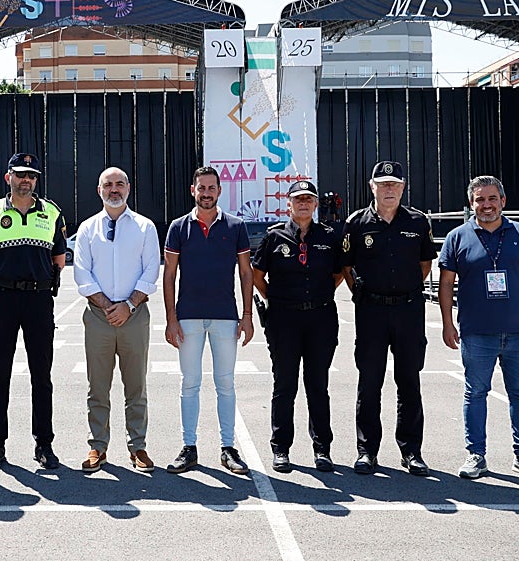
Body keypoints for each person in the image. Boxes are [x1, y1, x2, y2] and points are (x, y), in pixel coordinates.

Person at [438, 175, 519, 481]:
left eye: (492, 198)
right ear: (471, 203)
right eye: (480, 199)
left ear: (503, 201)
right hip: (476, 332)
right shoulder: (457, 237)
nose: (486, 205)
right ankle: (476, 455)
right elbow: (446, 284)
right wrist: (448, 323)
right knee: (475, 393)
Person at [341, 159, 437, 476]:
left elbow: (425, 265)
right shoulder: (357, 223)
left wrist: (404, 290)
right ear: (372, 187)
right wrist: (363, 293)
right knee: (369, 383)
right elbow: (346, 266)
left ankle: (411, 452)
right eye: (383, 185)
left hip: (408, 311)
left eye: (394, 184)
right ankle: (367, 451)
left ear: (403, 187)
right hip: (371, 312)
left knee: (409, 382)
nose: (389, 189)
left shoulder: (418, 221)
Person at [162, 166, 255, 475]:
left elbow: (246, 273)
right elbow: (169, 275)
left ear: (219, 190)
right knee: (190, 383)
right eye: (201, 188)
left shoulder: (236, 226)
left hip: (225, 317)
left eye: (211, 188)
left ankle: (228, 448)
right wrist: (171, 318)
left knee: (225, 383)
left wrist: (247, 316)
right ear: (193, 190)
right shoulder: (178, 227)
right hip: (187, 317)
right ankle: (189, 447)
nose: (206, 193)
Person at [0, 153, 67, 472]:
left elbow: (59, 259)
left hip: (39, 300)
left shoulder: (52, 212)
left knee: (41, 376)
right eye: (20, 174)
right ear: (8, 177)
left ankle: (44, 444)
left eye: (31, 175)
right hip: (3, 298)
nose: (26, 180)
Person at [73, 167, 161, 473]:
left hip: (134, 316)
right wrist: (109, 306)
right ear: (99, 190)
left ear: (128, 188)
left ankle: (138, 446)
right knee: (97, 387)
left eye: (119, 184)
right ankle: (97, 446)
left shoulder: (145, 227)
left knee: (136, 386)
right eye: (108, 184)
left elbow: (152, 270)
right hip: (98, 317)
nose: (114, 189)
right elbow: (82, 273)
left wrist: (129, 305)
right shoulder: (87, 229)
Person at [252, 179, 343, 474]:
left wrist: (320, 295)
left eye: (308, 199)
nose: (303, 203)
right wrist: (275, 298)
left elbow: (339, 272)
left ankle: (322, 448)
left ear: (315, 204)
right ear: (288, 204)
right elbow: (257, 274)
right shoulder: (274, 236)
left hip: (320, 319)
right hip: (284, 320)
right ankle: (281, 448)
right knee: (285, 386)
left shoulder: (329, 236)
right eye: (298, 199)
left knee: (318, 385)